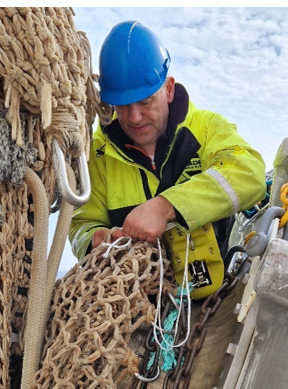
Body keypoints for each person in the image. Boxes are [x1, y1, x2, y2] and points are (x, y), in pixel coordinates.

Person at [69, 20, 266, 299]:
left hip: (222, 294)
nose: (134, 117)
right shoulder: (96, 156)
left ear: (169, 90)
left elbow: (250, 175)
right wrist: (95, 239)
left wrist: (166, 206)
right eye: (123, 106)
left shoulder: (206, 128)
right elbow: (80, 225)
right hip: (140, 307)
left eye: (146, 101)